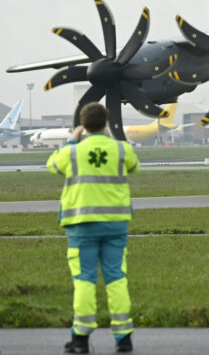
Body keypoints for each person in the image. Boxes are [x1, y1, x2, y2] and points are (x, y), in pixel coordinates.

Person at [46, 102, 139, 353]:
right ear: (106, 123)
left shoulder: (73, 152)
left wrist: (71, 140)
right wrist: (110, 137)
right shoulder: (120, 149)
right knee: (116, 277)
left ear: (83, 125)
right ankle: (123, 337)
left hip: (82, 225)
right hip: (115, 224)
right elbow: (134, 166)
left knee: (84, 280)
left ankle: (81, 337)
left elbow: (53, 166)